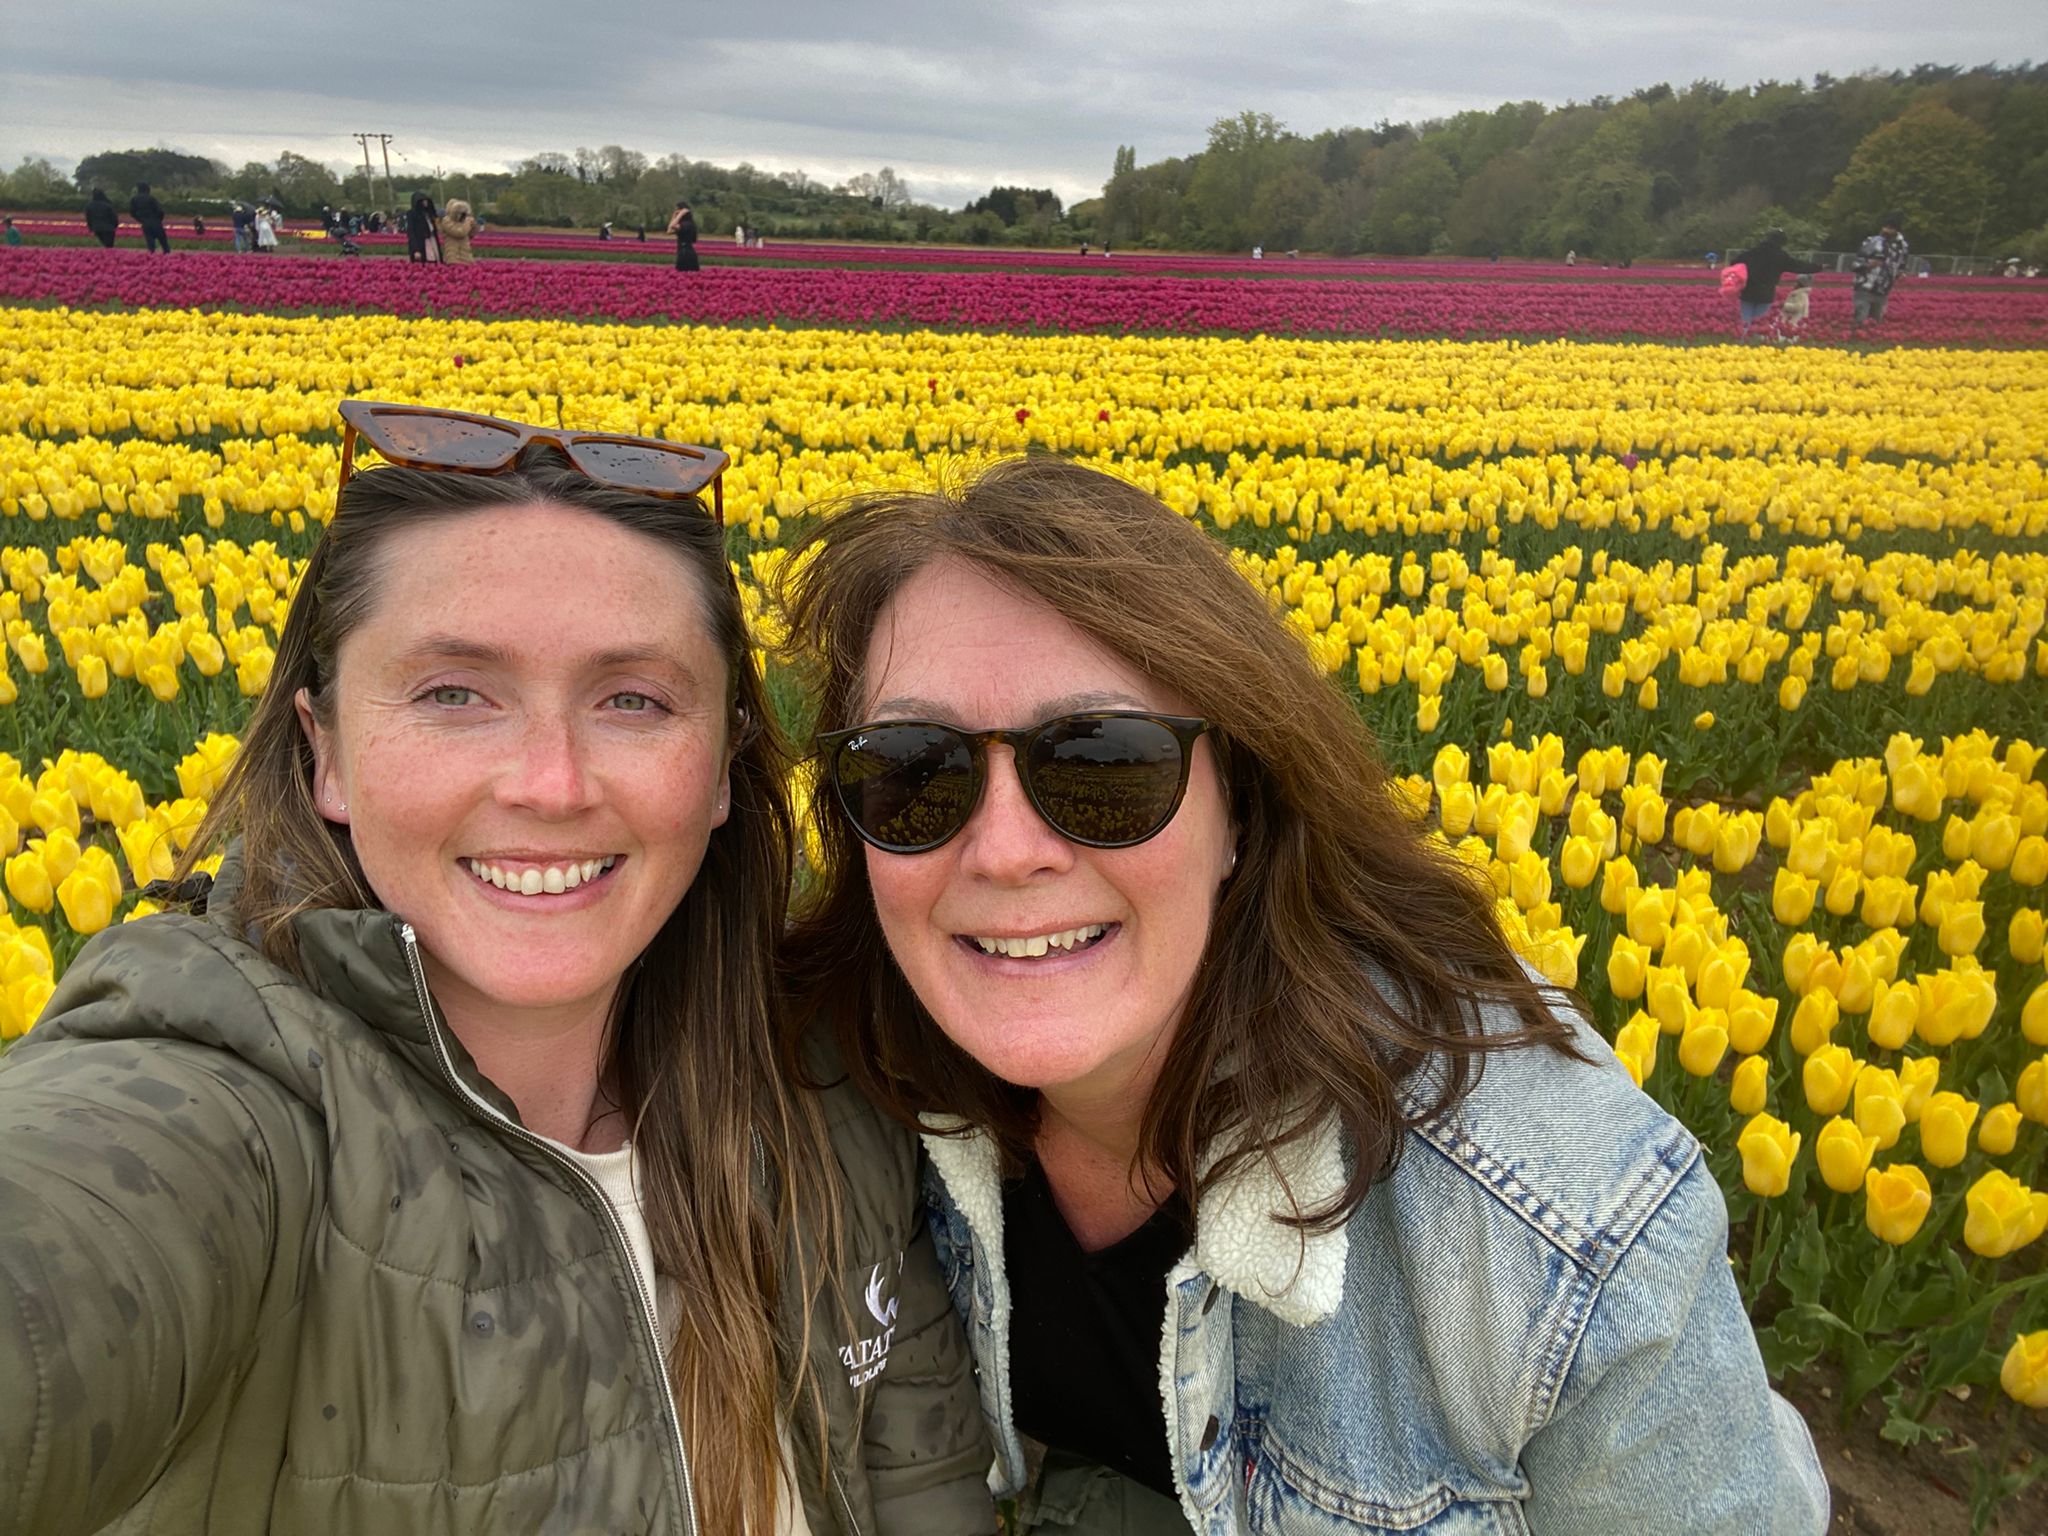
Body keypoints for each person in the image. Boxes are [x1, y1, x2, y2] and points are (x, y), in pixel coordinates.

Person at [774, 456, 1830, 1536]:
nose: (1001, 851)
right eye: (912, 770)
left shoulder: (1554, 1226)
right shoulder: (839, 1080)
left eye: (1101, 762)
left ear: (1241, 806)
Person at [0, 403, 996, 1536]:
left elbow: (924, 1492)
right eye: (452, 693)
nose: (550, 783)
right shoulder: (224, 1104)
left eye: (633, 699)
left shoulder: (828, 1104)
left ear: (723, 765)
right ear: (322, 751)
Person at [1728, 228, 1820, 339]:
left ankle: (1743, 343)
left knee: (1745, 322)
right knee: (1760, 324)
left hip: (1748, 291)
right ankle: (1756, 345)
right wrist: (1818, 267)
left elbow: (1734, 262)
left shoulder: (1753, 252)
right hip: (1766, 293)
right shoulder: (1781, 256)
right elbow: (1798, 266)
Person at [1851, 211, 1910, 333]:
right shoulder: (1872, 242)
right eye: (1885, 227)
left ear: (1897, 230)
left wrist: (1900, 273)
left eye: (1890, 228)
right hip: (1865, 286)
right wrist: (1868, 266)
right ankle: (1856, 339)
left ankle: (1870, 343)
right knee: (1861, 319)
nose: (1886, 230)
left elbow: (1902, 265)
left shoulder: (1902, 246)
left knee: (1875, 322)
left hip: (1883, 290)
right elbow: (1855, 264)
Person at [130, 181, 170, 253]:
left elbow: (132, 213)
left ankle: (151, 257)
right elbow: (160, 211)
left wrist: (140, 219)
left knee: (150, 243)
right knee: (163, 242)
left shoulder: (134, 199)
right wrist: (159, 219)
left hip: (145, 222)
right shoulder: (151, 198)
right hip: (155, 221)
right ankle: (166, 256)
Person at [438, 197, 479, 264]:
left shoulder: (463, 221)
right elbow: (459, 233)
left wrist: (474, 226)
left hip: (465, 254)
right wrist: (467, 223)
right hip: (454, 255)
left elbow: (470, 235)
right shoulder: (446, 221)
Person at [1774, 272, 1813, 341]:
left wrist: (1784, 305)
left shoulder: (1801, 295)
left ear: (1801, 284)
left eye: (1796, 282)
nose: (1794, 284)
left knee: (1790, 339)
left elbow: (1798, 307)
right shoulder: (1798, 293)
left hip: (1794, 321)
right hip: (1791, 320)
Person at [406, 191, 440, 263]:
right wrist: (416, 250)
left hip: (432, 240)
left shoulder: (428, 214)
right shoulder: (412, 215)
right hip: (421, 242)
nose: (426, 202)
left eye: (426, 200)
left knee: (435, 260)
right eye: (423, 201)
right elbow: (411, 233)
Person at [667, 199, 699, 271]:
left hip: (686, 252)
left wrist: (680, 215)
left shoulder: (687, 225)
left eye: (678, 210)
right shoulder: (683, 224)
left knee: (684, 271)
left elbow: (672, 226)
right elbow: (669, 231)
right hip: (682, 250)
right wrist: (674, 216)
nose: (676, 211)